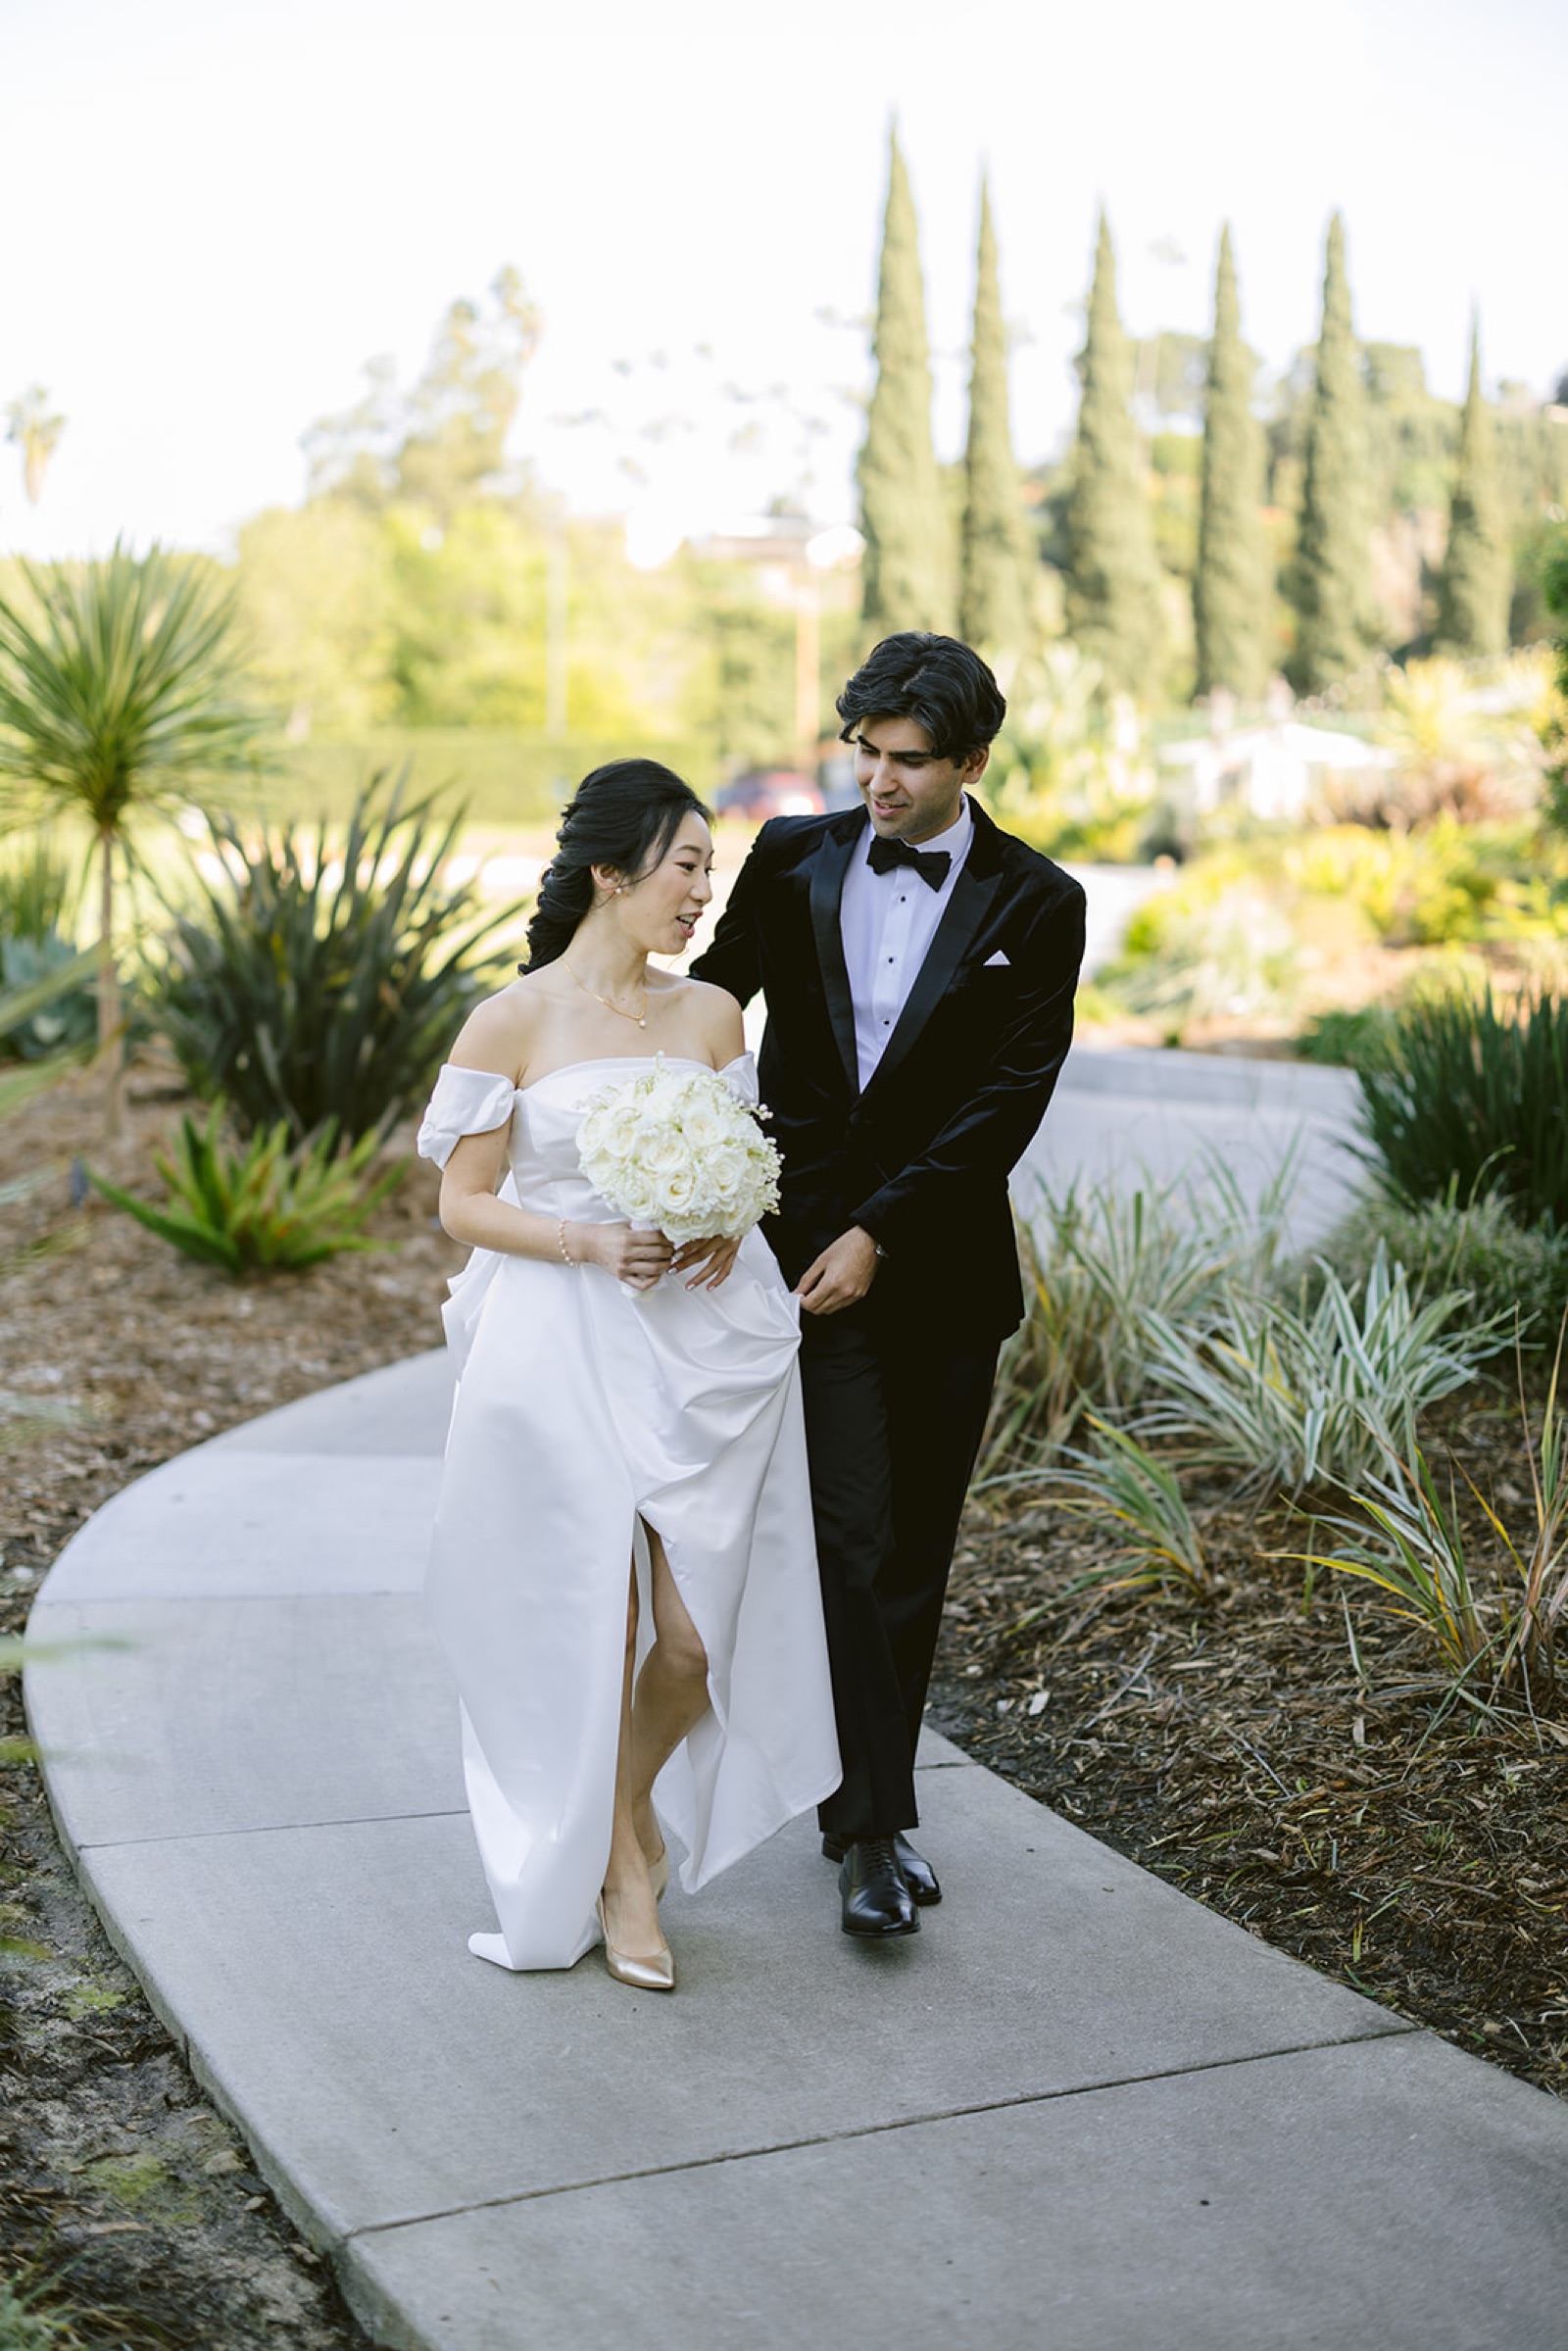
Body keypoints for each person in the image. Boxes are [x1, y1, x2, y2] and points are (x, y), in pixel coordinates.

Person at [416, 759, 840, 1991]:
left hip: (695, 1342)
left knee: (692, 1645)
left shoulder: (712, 1014)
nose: (704, 890)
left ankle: (620, 1804)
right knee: (587, 1619)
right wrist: (591, 1238)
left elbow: (735, 1165)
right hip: (561, 1341)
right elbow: (462, 1203)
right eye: (687, 864)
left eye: (710, 866)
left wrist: (721, 1217)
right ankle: (624, 1872)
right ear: (612, 871)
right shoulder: (513, 1020)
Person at [692, 634, 1086, 1938]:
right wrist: (658, 1112)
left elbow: (1000, 1105)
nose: (876, 780)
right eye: (863, 751)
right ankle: (866, 1829)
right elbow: (713, 1003)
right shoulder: (794, 854)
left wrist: (884, 1228)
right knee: (853, 1539)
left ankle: (878, 1798)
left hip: (941, 1266)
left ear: (970, 763)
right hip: (802, 1260)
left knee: (913, 1550)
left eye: (907, 760)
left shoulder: (1040, 901)